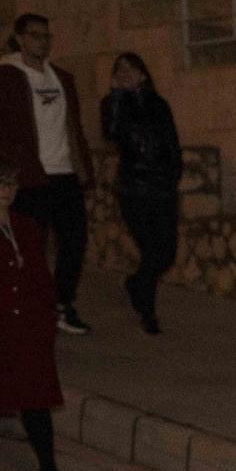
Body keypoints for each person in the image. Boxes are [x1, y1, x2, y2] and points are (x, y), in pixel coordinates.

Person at [0, 13, 92, 335]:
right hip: (30, 176)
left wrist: (83, 164)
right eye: (35, 36)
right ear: (20, 39)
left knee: (74, 240)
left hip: (63, 172)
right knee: (31, 248)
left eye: (46, 36)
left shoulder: (61, 78)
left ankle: (61, 303)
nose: (42, 42)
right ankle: (29, 308)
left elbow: (73, 126)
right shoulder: (6, 78)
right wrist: (13, 163)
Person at [0, 151, 71, 471]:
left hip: (29, 326)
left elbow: (39, 275)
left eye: (12, 183)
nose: (7, 190)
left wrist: (48, 314)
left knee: (35, 400)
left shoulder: (25, 225)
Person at [99, 51, 181, 335]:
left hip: (162, 190)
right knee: (151, 251)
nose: (125, 73)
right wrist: (119, 96)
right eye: (119, 69)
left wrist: (173, 179)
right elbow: (111, 134)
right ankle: (148, 311)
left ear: (143, 73)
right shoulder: (112, 104)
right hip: (134, 190)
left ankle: (136, 285)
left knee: (165, 255)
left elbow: (172, 144)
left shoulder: (159, 105)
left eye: (131, 68)